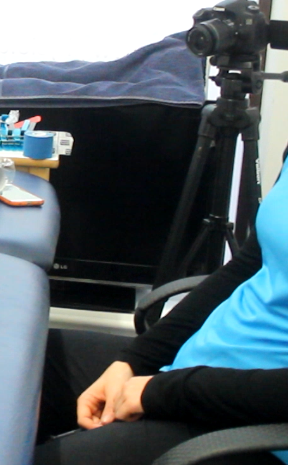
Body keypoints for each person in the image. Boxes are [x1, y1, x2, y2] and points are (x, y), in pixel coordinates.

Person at [34, 148, 288, 465]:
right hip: (191, 372)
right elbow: (247, 265)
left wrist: (161, 393)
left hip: (256, 427)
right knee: (23, 361)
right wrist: (136, 360)